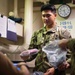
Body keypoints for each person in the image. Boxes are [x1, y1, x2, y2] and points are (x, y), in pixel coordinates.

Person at [22, 4, 71, 75]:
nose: (45, 18)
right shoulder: (37, 33)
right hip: (38, 71)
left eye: (48, 15)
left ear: (55, 16)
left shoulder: (63, 32)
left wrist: (55, 69)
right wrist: (26, 57)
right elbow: (32, 53)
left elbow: (70, 55)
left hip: (55, 72)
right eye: (43, 16)